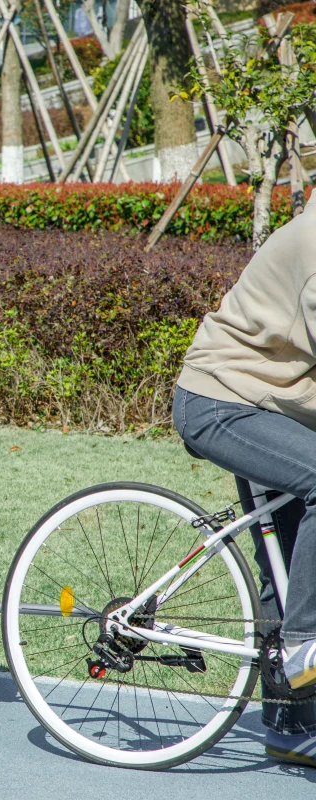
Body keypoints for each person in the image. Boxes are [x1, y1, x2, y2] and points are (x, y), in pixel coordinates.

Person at [173, 192, 316, 766]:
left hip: (272, 408)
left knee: (283, 564)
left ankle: (288, 722)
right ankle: (305, 645)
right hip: (220, 402)